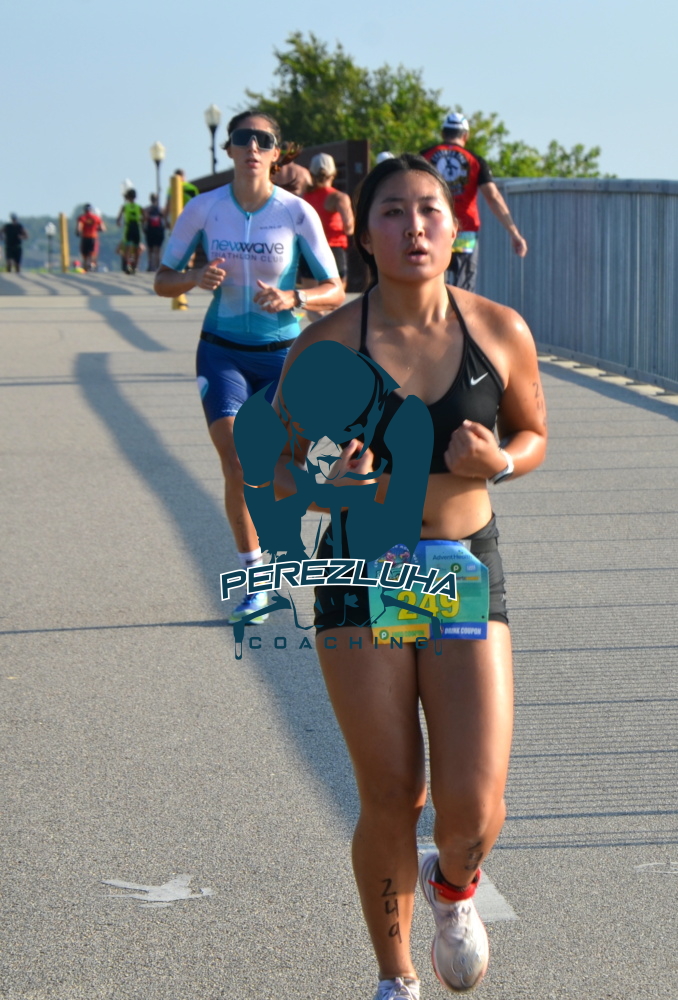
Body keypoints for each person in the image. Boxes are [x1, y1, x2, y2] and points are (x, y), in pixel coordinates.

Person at [262, 154, 547, 999]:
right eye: (392, 211)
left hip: (461, 567)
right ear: (364, 234)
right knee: (392, 792)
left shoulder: (499, 330)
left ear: (454, 228)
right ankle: (396, 978)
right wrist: (323, 481)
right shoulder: (324, 345)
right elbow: (273, 468)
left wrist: (500, 461)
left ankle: (454, 885)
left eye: (429, 210)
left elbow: (533, 434)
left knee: (474, 808)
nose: (414, 226)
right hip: (361, 567)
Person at [153, 109, 344, 624]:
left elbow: (336, 290)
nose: (252, 147)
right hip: (223, 352)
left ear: (276, 153)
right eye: (243, 138)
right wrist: (194, 277)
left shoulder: (296, 212)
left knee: (300, 464)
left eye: (263, 140)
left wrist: (294, 297)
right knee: (239, 463)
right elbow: (162, 280)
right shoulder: (203, 208)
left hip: (285, 355)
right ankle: (255, 582)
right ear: (230, 149)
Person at [421, 112, 528, 292]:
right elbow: (493, 196)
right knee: (463, 289)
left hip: (432, 229)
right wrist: (515, 234)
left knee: (432, 286)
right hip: (465, 231)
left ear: (443, 133)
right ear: (465, 136)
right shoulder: (474, 160)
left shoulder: (425, 156)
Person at [300, 152, 354, 295]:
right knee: (335, 297)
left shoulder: (303, 197)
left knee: (310, 298)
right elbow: (349, 227)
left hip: (309, 249)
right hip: (333, 249)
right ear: (334, 173)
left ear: (311, 172)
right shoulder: (338, 197)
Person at [116, 189, 144, 274]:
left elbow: (118, 218)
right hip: (136, 227)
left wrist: (119, 223)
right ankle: (135, 266)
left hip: (128, 227)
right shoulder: (139, 207)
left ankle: (128, 265)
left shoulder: (125, 206)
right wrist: (142, 222)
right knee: (136, 248)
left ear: (128, 197)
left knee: (128, 247)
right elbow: (145, 217)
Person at [76, 204, 106, 271]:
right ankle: (92, 264)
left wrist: (78, 232)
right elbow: (103, 228)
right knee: (93, 252)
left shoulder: (82, 218)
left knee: (85, 254)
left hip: (85, 237)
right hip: (93, 237)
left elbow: (79, 228)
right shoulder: (96, 218)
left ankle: (85, 266)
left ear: (84, 210)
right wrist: (96, 229)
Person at [143, 193, 165, 271]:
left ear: (150, 199)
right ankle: (157, 266)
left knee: (150, 250)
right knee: (158, 250)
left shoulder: (147, 209)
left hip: (150, 231)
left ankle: (150, 266)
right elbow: (164, 219)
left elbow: (145, 219)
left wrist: (143, 228)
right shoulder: (160, 209)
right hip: (158, 231)